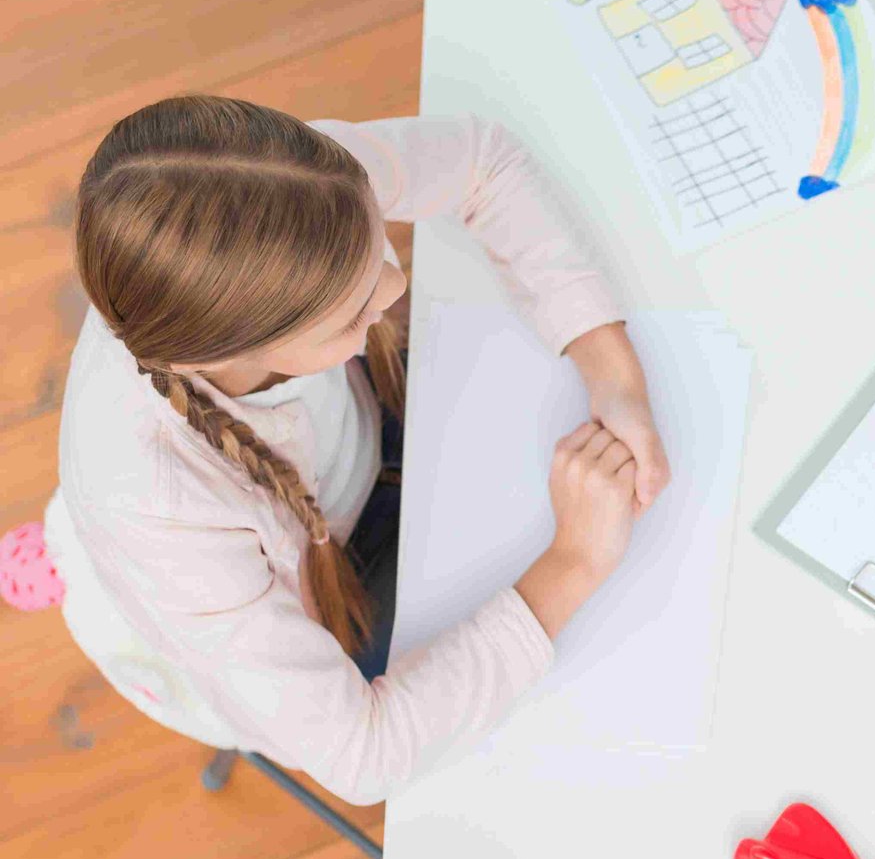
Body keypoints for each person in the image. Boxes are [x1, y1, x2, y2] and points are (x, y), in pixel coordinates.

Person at [61, 96, 669, 804]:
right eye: (353, 312)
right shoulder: (156, 505)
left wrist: (612, 372)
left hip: (357, 455)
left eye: (377, 249)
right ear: (232, 353)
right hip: (327, 590)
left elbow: (482, 161)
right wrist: (576, 561)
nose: (397, 284)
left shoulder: (291, 194)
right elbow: (364, 755)